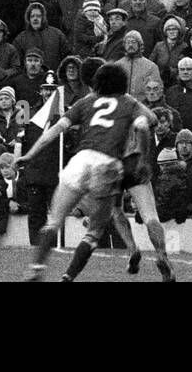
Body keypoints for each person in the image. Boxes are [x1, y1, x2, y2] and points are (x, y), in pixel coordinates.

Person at [17, 63, 170, 282]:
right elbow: (146, 125)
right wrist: (144, 158)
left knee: (55, 221)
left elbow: (55, 130)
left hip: (81, 160)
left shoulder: (85, 102)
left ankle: (36, 267)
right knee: (100, 230)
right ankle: (69, 276)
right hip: (112, 164)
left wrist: (30, 155)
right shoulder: (128, 102)